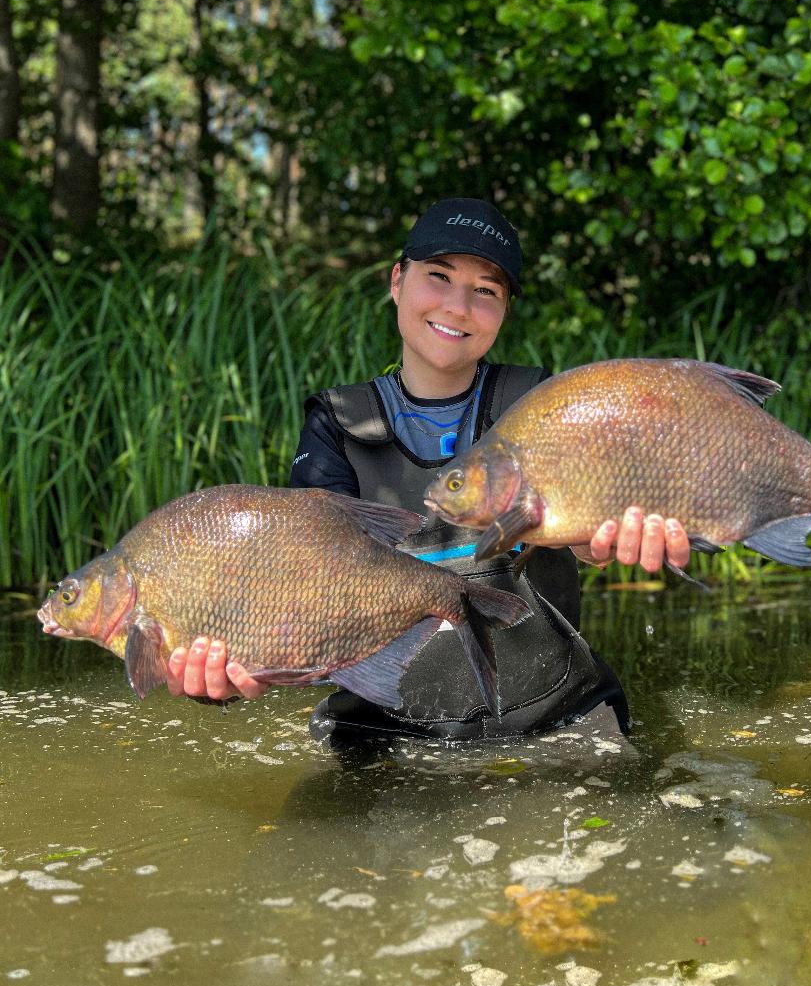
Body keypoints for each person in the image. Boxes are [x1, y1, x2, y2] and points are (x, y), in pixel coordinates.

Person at [165, 198, 691, 742]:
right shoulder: (337, 426)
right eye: (437, 276)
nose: (457, 306)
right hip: (387, 732)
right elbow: (303, 591)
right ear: (397, 280)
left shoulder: (539, 406)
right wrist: (234, 667)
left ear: (505, 308)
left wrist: (603, 542)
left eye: (486, 290)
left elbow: (587, 529)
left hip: (556, 717)